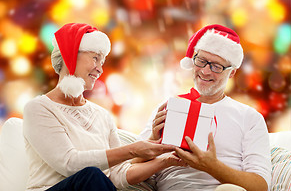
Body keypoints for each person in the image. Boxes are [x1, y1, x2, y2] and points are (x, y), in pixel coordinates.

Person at [23, 23, 185, 191]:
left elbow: (117, 176)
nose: (100, 69)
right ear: (70, 55)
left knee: (96, 178)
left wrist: (167, 161)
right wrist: (133, 150)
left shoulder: (102, 115)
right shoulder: (38, 108)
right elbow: (69, 164)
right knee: (92, 176)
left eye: (102, 61)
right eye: (95, 58)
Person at [139, 24, 272, 191]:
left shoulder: (249, 117)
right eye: (201, 61)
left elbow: (261, 186)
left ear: (231, 72)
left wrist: (211, 166)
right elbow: (129, 166)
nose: (205, 71)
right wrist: (152, 138)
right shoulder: (168, 108)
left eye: (216, 66)